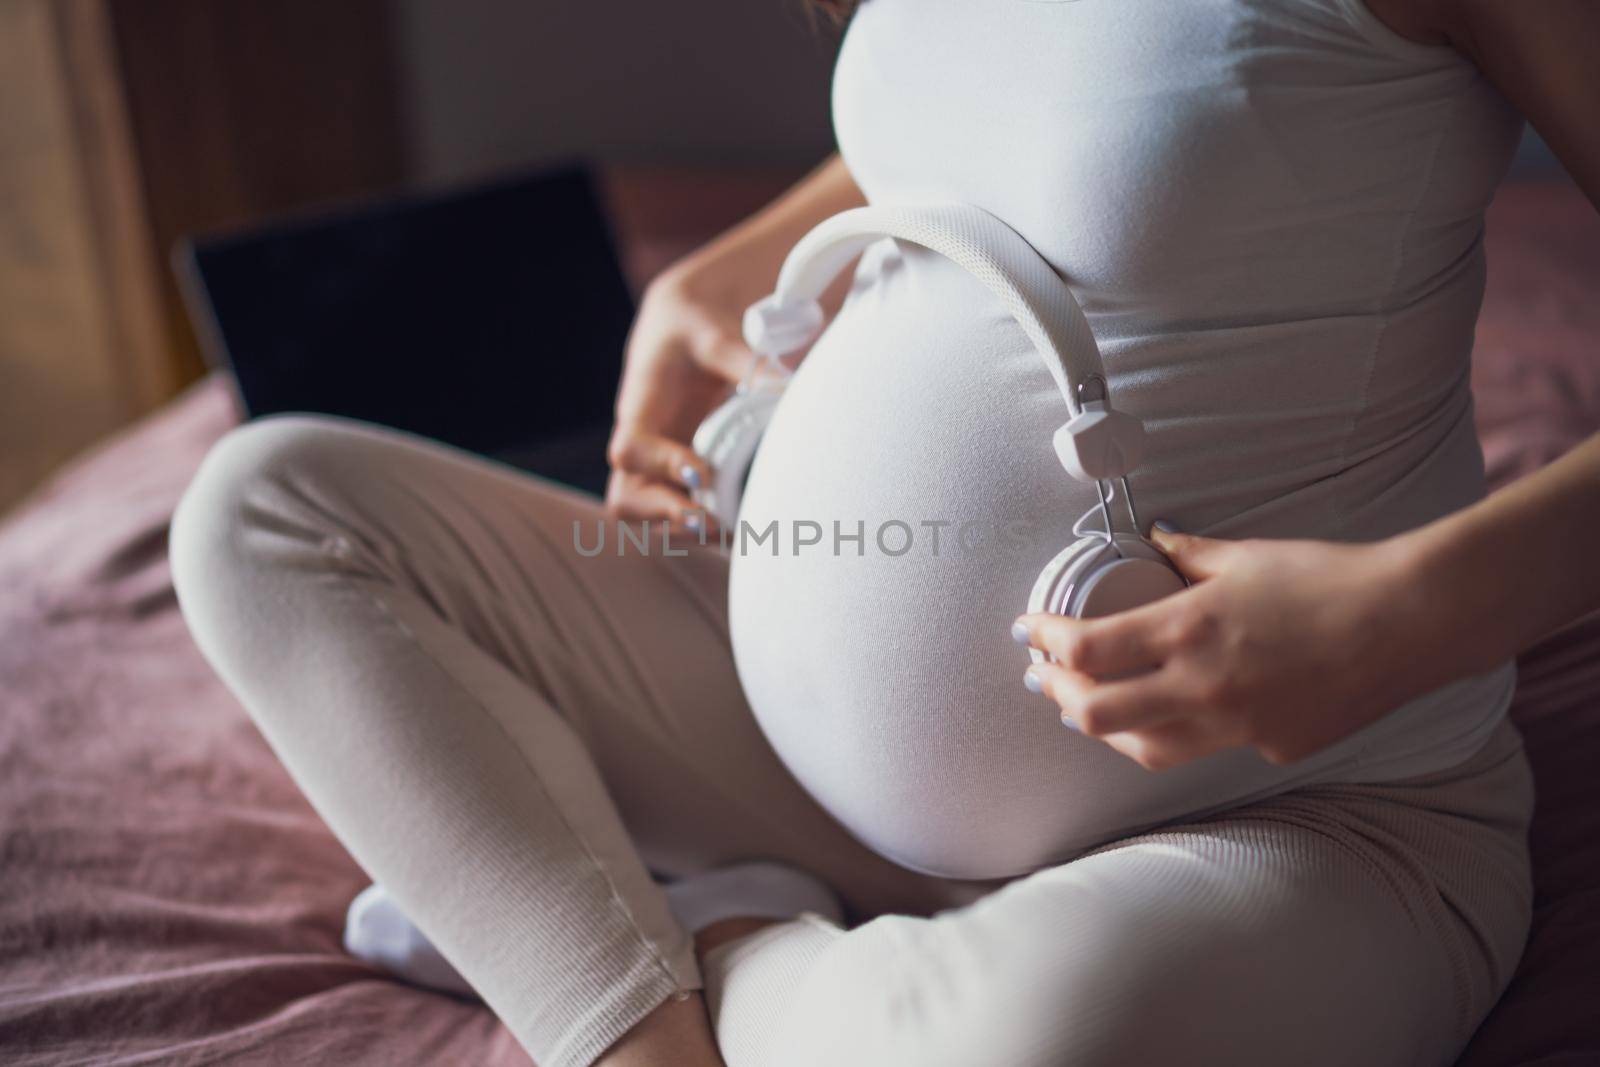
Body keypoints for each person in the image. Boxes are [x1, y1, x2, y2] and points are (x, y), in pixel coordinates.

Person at [168, 1, 1600, 1064]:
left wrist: (1411, 608)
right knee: (266, 510)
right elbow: (1035, 104)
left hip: (1296, 814)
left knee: (1049, 1041)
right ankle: (648, 1029)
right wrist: (735, 262)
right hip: (779, 744)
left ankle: (675, 944)